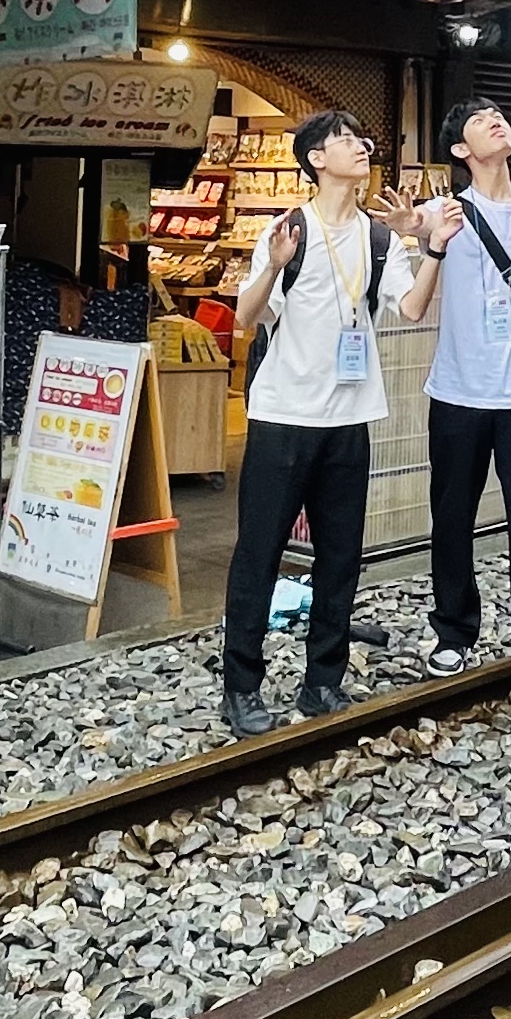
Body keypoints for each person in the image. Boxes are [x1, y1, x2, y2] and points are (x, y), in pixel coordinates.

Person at [220, 108, 413, 739]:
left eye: (361, 139)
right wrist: (274, 264)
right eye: (344, 141)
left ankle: (322, 680)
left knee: (340, 555)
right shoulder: (288, 230)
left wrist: (432, 244)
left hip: (350, 417)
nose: (360, 148)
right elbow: (245, 317)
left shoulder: (380, 239)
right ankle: (241, 686)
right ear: (316, 160)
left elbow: (412, 308)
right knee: (259, 553)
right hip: (283, 416)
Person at [396, 97, 511, 716]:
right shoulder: (445, 211)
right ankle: (453, 632)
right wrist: (409, 226)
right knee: (451, 519)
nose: (497, 120)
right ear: (460, 150)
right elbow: (410, 227)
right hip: (456, 391)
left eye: (500, 114)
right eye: (480, 120)